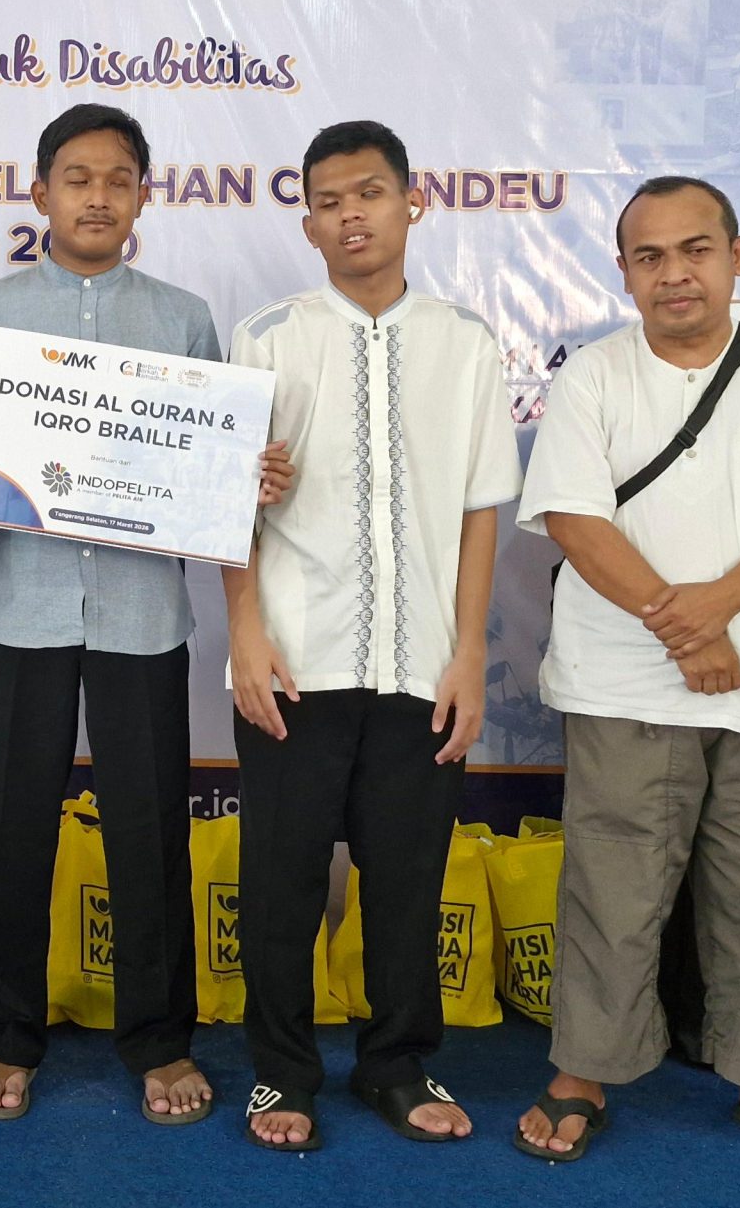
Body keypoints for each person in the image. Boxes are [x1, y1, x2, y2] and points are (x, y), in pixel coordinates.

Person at [0, 104, 293, 1127]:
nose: (97, 197)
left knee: (148, 830)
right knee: (13, 830)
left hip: (141, 617)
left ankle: (160, 1039)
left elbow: (209, 474)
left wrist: (246, 472)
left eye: (118, 179)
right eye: (77, 178)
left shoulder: (183, 320)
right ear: (39, 192)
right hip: (19, 609)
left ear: (143, 196)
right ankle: (9, 1034)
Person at [511, 175, 740, 1173]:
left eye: (696, 249)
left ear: (737, 256)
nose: (675, 273)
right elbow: (576, 519)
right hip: (620, 680)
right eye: (650, 256)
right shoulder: (593, 376)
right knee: (613, 881)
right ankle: (582, 1071)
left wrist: (713, 610)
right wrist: (684, 629)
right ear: (624, 271)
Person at [224, 120, 520, 1153]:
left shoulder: (466, 342)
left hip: (421, 663)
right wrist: (244, 633)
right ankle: (281, 1072)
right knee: (282, 883)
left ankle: (397, 1063)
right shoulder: (266, 336)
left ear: (411, 202)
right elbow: (226, 499)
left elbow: (481, 508)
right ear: (306, 222)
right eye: (329, 200)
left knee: (406, 881)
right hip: (294, 659)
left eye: (370, 192)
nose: (351, 214)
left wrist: (469, 653)